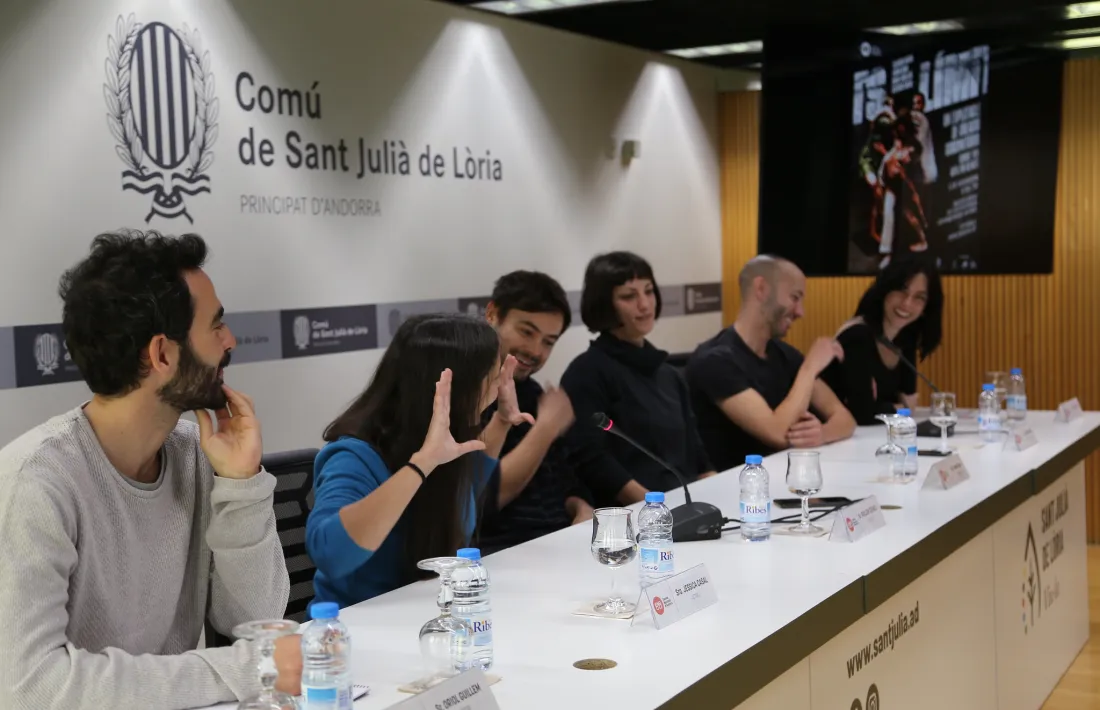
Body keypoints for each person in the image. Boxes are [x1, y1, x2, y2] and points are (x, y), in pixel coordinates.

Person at [0, 230, 293, 709]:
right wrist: (245, 670)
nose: (230, 341)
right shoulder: (34, 483)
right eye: (216, 326)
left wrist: (241, 484)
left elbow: (256, 619)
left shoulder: (197, 453)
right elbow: (30, 687)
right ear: (161, 354)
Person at [306, 314, 531, 606]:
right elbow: (331, 554)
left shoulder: (444, 444)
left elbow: (463, 496)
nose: (498, 385)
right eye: (492, 376)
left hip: (425, 613)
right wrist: (422, 463)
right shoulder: (354, 457)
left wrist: (501, 419)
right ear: (461, 386)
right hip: (354, 630)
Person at [561, 252, 716, 507]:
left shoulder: (669, 374)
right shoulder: (586, 372)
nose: (645, 305)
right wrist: (654, 508)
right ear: (604, 304)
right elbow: (593, 461)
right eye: (629, 296)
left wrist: (716, 494)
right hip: (636, 516)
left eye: (649, 291)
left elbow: (698, 455)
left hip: (685, 504)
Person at [686, 255, 857, 471]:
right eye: (795, 298)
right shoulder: (714, 361)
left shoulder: (785, 356)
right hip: (735, 490)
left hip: (784, 481)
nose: (800, 312)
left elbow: (845, 419)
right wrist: (810, 367)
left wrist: (820, 434)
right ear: (761, 288)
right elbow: (776, 432)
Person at [479, 271, 594, 553]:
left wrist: (582, 508)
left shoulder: (532, 393)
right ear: (492, 314)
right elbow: (484, 498)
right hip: (499, 555)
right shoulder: (465, 395)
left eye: (548, 342)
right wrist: (545, 429)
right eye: (526, 332)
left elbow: (567, 481)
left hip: (560, 545)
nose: (534, 351)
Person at [821, 256, 943, 425]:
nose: (907, 303)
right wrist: (899, 408)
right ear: (885, 290)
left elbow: (908, 399)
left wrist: (893, 407)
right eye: (902, 291)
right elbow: (862, 414)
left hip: (868, 438)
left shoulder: (904, 338)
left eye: (919, 298)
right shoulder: (857, 336)